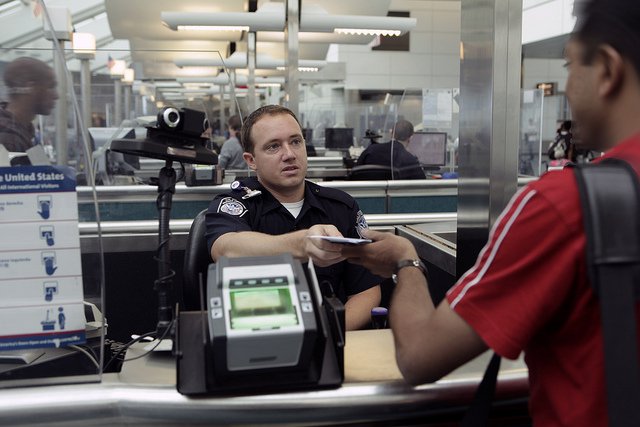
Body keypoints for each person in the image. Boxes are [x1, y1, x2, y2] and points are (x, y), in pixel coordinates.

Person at [342, 0, 640, 425]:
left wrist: (405, 261)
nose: (569, 87)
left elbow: (422, 356)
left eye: (571, 66)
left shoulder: (567, 205)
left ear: (608, 69)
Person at [205, 105, 381, 330]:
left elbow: (366, 291)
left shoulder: (341, 207)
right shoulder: (235, 205)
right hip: (257, 338)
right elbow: (226, 249)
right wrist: (301, 244)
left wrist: (325, 335)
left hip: (331, 337)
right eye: (273, 146)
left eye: (296, 142)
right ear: (251, 160)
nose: (289, 154)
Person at [0, 57, 58, 152]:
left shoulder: (21, 129)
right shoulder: (8, 138)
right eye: (50, 87)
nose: (56, 96)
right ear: (31, 87)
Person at [354, 119, 426, 179]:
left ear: (391, 133)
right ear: (411, 137)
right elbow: (423, 185)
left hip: (366, 194)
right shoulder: (410, 160)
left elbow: (354, 174)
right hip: (396, 195)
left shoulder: (371, 150)